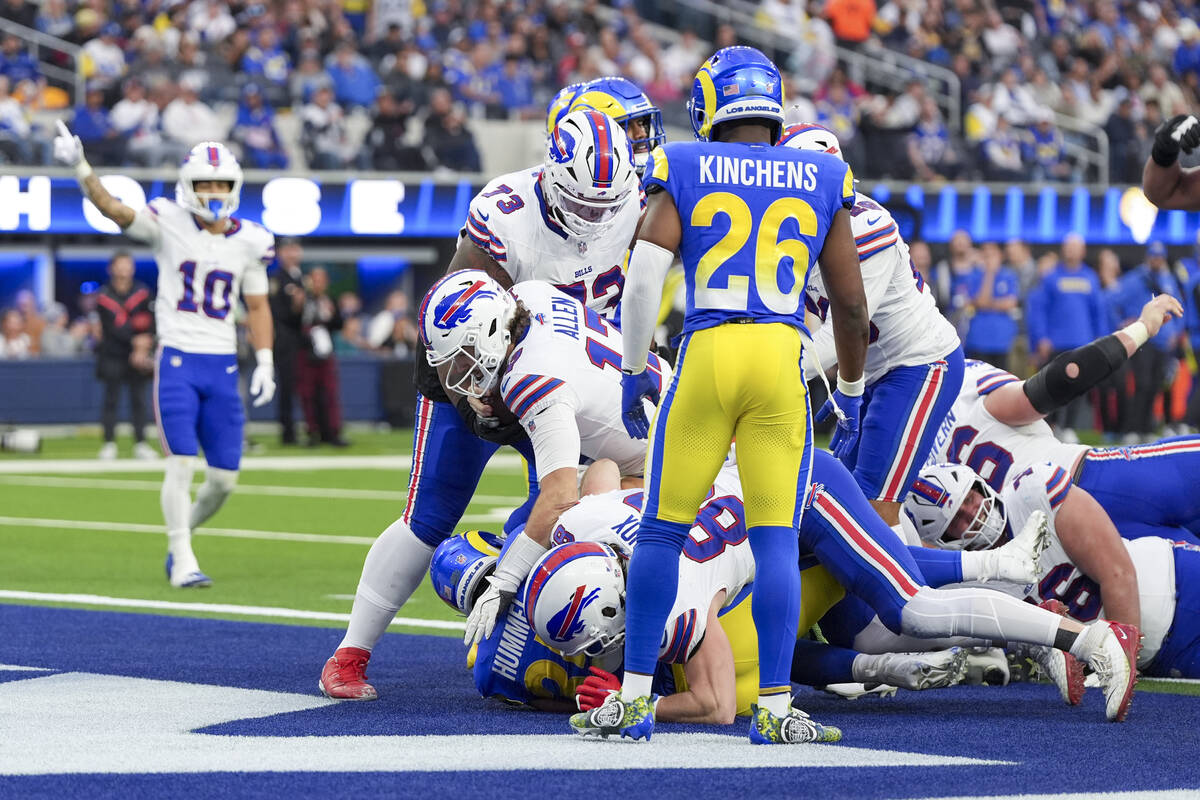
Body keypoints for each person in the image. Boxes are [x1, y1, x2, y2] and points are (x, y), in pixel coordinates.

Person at [317, 104, 646, 701]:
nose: (597, 219)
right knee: (430, 515)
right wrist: (475, 406)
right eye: (583, 205)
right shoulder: (507, 212)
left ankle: (579, 653)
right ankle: (351, 652)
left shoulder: (639, 200)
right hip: (482, 373)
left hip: (560, 378)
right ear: (552, 176)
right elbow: (443, 325)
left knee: (570, 521)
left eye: (608, 205)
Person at [604, 46, 869, 745]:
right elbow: (848, 300)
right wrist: (849, 386)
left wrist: (634, 369)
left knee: (662, 527)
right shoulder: (822, 171)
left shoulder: (683, 164)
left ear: (710, 104)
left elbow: (641, 280)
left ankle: (633, 700)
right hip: (781, 357)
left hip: (710, 351)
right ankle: (777, 710)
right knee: (776, 539)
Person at [53, 125, 276, 588]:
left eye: (220, 184)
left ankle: (181, 537)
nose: (212, 192)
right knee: (180, 462)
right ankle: (183, 556)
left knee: (223, 481)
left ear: (234, 188)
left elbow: (257, 305)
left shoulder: (252, 239)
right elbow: (114, 209)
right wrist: (81, 168)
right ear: (187, 185)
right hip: (177, 358)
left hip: (222, 363)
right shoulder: (167, 220)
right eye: (204, 183)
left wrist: (267, 359)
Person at [783, 123, 963, 528]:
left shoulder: (865, 225)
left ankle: (931, 584)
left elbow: (850, 323)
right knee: (837, 502)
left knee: (874, 512)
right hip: (867, 372)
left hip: (918, 365)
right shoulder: (794, 227)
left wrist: (776, 368)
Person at [926, 294, 1200, 546]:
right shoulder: (960, 385)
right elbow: (1064, 378)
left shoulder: (901, 458)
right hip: (1087, 483)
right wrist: (1143, 327)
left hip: (1051, 555)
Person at [908, 460, 1198, 682]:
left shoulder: (1033, 494)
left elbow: (1117, 572)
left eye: (970, 499)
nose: (974, 514)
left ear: (980, 484)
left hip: (1180, 586)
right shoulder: (967, 584)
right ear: (942, 539)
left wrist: (1116, 672)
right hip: (1159, 659)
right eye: (958, 518)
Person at [1027, 234, 1107, 441]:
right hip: (1055, 342)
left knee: (1078, 387)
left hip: (1083, 341)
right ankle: (1048, 427)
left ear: (1082, 251)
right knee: (1050, 386)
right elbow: (1040, 310)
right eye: (1068, 247)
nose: (1072, 251)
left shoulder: (1090, 278)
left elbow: (1098, 311)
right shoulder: (1051, 277)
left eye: (1076, 247)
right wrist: (1041, 337)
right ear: (1064, 250)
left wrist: (1101, 337)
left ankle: (1069, 427)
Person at [1113, 241, 1183, 442]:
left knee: (1155, 385)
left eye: (1160, 256)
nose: (1156, 260)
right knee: (1141, 384)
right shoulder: (1136, 279)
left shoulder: (1168, 279)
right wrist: (1123, 324)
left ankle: (1145, 428)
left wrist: (1175, 333)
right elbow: (1112, 301)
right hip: (1143, 339)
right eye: (1154, 256)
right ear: (1148, 257)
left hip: (1163, 341)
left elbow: (1179, 308)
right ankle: (1132, 429)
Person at [94, 251, 156, 460]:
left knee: (139, 400)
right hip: (113, 354)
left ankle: (141, 443)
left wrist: (143, 347)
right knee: (111, 399)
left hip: (138, 357)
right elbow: (112, 328)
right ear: (111, 268)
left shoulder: (142, 292)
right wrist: (134, 341)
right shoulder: (104, 296)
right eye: (120, 265)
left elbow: (150, 321)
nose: (123, 270)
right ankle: (109, 443)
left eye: (127, 265)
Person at [297, 266, 347, 447]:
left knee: (330, 393)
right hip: (306, 352)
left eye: (321, 280)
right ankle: (312, 431)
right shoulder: (303, 300)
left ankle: (332, 431)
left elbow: (339, 324)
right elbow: (293, 322)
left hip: (325, 353)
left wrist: (332, 314)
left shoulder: (329, 300)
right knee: (308, 394)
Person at [269, 238, 305, 445]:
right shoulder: (277, 278)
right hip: (285, 340)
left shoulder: (300, 277)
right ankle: (288, 432)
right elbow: (277, 313)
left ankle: (304, 428)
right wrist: (295, 306)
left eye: (295, 249)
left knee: (301, 387)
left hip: (301, 341)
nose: (292, 254)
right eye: (287, 249)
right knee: (287, 386)